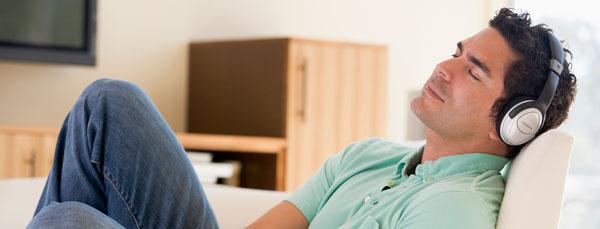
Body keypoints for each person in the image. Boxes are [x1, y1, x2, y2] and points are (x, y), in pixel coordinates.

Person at [27, 8, 576, 229]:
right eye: (456, 50)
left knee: (70, 223)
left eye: (473, 70)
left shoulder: (456, 210)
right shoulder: (368, 156)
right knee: (111, 101)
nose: (445, 67)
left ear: (514, 124)